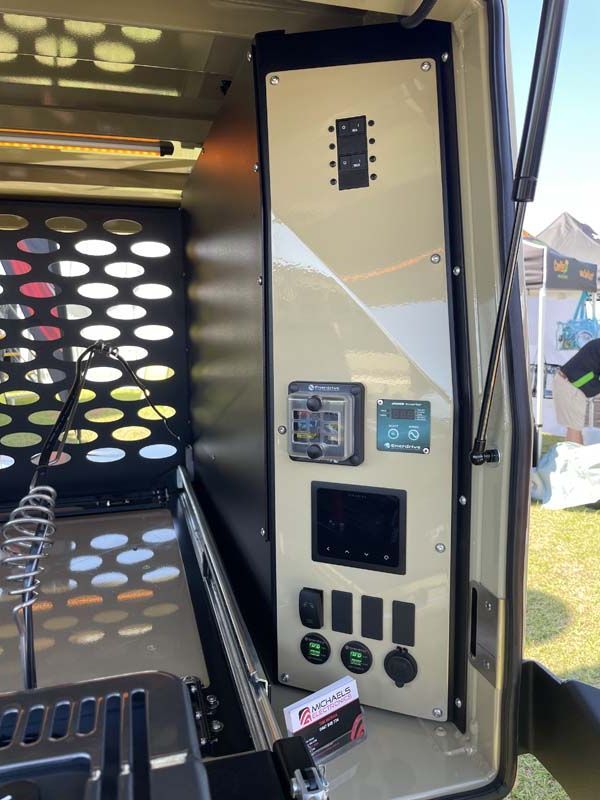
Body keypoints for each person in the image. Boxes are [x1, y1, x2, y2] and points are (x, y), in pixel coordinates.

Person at [553, 338, 600, 444]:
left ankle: (572, 457)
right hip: (570, 385)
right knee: (574, 429)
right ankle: (574, 459)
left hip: (570, 383)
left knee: (573, 428)